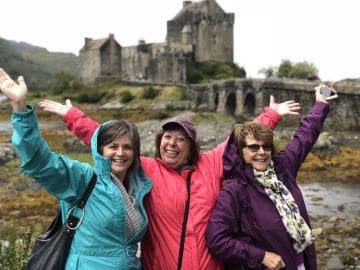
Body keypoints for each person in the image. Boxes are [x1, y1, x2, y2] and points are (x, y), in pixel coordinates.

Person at [38, 93, 300, 269]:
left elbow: (241, 139)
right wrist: (72, 116)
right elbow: (108, 140)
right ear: (159, 142)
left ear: (191, 146)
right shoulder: (147, 169)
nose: (172, 143)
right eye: (167, 137)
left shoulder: (210, 164)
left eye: (180, 138)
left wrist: (271, 115)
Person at [0, 67, 153, 270]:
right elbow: (40, 160)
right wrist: (19, 107)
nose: (120, 153)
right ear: (99, 150)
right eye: (113, 147)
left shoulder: (138, 187)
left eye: (127, 147)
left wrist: (74, 116)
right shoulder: (82, 179)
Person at [205, 85, 335, 270]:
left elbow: (304, 136)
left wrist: (321, 104)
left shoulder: (283, 168)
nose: (261, 152)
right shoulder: (235, 189)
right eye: (253, 147)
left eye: (266, 147)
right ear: (240, 151)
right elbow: (217, 240)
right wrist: (261, 256)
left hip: (302, 262)